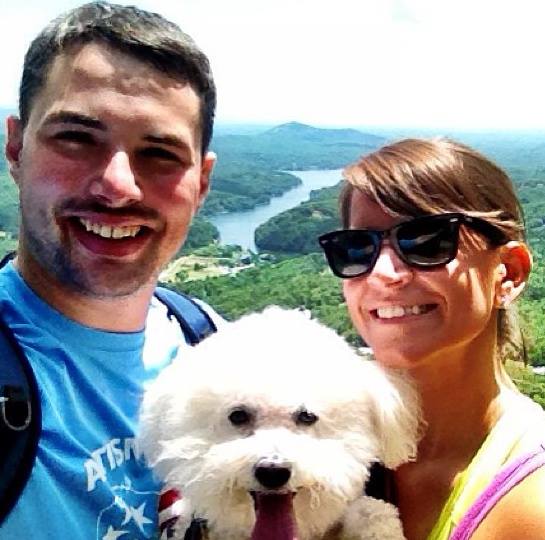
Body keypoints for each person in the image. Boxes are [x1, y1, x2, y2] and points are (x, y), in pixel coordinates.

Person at [1, 2, 218, 538]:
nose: (118, 186)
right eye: (76, 138)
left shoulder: (211, 343)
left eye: (160, 153)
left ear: (202, 182)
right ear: (16, 149)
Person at [318, 138, 545, 540]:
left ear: (508, 273)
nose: (384, 273)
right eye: (357, 248)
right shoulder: (306, 438)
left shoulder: (532, 496)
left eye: (425, 240)